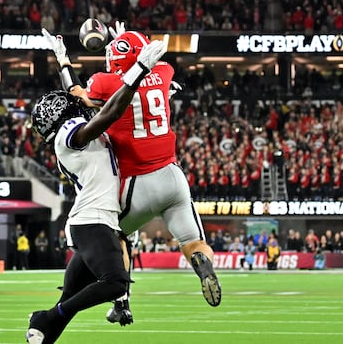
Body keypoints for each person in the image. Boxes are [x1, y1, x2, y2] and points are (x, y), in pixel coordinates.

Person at [43, 24, 221, 326]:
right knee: (192, 241)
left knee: (114, 235)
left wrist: (64, 62)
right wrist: (124, 40)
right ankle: (201, 263)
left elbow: (79, 95)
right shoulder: (163, 73)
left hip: (136, 179)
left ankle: (121, 301)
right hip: (173, 174)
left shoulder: (104, 82)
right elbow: (142, 63)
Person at [26, 38, 167, 344]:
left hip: (97, 219)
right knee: (115, 283)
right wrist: (140, 69)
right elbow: (109, 114)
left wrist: (63, 60)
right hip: (91, 220)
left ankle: (43, 329)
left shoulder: (71, 124)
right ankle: (46, 319)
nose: (69, 103)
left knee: (69, 301)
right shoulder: (67, 137)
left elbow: (79, 95)